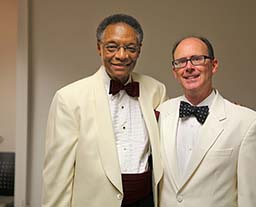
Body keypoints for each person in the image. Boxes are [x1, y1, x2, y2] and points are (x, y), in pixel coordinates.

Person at [42, 14, 167, 207]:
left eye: (130, 48)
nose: (121, 55)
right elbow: (58, 174)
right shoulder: (69, 98)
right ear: (99, 48)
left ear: (139, 50)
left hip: (147, 201)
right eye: (112, 47)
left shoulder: (156, 90)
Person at [158, 36, 256, 207]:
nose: (189, 67)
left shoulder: (247, 123)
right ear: (174, 72)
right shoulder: (160, 114)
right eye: (181, 62)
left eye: (197, 59)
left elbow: (254, 200)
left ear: (214, 65)